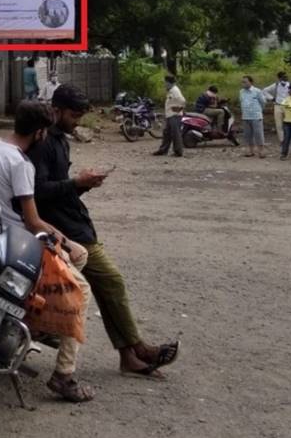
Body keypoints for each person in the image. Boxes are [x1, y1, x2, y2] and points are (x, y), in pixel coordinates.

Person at [30, 86, 180, 379]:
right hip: (67, 231)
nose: (77, 122)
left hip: (75, 224)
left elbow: (58, 189)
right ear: (56, 110)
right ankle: (135, 350)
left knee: (107, 286)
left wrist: (84, 184)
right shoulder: (45, 142)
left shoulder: (61, 140)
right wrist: (76, 183)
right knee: (110, 282)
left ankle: (131, 353)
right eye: (73, 115)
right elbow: (37, 193)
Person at [0, 100, 94, 403]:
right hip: (22, 248)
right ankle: (64, 374)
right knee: (81, 288)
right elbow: (33, 221)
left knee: (80, 256)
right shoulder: (21, 164)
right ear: (40, 133)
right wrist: (64, 240)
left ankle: (37, 326)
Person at [153, 75, 185, 157]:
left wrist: (179, 108)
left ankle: (178, 152)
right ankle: (163, 150)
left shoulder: (175, 90)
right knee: (167, 133)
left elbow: (182, 100)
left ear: (168, 82)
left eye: (165, 82)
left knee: (175, 134)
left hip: (175, 115)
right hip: (170, 115)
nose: (164, 84)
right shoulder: (171, 90)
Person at [238, 75, 268, 158]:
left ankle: (261, 151)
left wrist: (258, 111)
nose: (243, 83)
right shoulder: (241, 92)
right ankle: (250, 150)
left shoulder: (257, 91)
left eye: (245, 82)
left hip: (256, 116)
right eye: (242, 82)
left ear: (251, 82)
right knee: (247, 134)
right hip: (245, 116)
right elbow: (241, 101)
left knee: (258, 134)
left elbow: (263, 102)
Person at [263, 71, 291, 142]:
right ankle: (282, 140)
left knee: (288, 123)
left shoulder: (290, 85)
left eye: (286, 76)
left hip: (287, 106)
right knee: (279, 124)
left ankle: (288, 138)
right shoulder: (275, 85)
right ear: (280, 78)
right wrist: (272, 98)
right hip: (278, 105)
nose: (286, 77)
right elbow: (265, 91)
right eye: (284, 76)